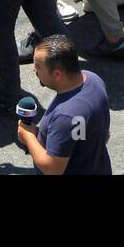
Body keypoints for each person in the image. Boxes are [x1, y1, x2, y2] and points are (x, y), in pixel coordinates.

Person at [17, 34, 112, 174]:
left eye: (38, 66)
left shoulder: (65, 116)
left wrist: (28, 136)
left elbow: (52, 169)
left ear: (57, 74)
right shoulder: (93, 79)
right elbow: (84, 132)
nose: (34, 69)